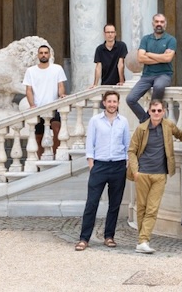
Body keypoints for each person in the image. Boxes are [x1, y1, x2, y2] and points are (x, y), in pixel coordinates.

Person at [127, 99, 182, 254]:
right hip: (143, 173)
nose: (156, 113)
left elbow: (181, 135)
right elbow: (132, 151)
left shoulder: (168, 126)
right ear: (149, 111)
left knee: (152, 209)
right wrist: (135, 171)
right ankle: (142, 241)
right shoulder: (141, 129)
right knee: (142, 208)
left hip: (160, 174)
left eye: (159, 110)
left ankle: (143, 240)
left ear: (164, 111)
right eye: (153, 110)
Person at [75, 90, 130, 251]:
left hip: (118, 165)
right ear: (104, 103)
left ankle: (109, 236)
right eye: (109, 101)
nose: (112, 104)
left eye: (115, 101)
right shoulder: (95, 120)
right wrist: (91, 163)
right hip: (100, 165)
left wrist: (126, 163)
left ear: (118, 103)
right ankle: (84, 238)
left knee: (114, 204)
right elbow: (90, 143)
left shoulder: (123, 121)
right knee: (92, 203)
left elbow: (127, 144)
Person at [126, 13, 176, 122]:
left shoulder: (170, 40)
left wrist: (148, 54)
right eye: (157, 22)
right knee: (130, 99)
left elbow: (168, 59)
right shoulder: (146, 39)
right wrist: (161, 57)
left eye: (162, 22)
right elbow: (140, 58)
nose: (159, 24)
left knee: (158, 87)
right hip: (147, 76)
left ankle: (154, 113)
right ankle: (147, 120)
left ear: (165, 24)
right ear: (153, 24)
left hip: (164, 75)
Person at [23, 44, 67, 158]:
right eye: (41, 53)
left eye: (46, 53)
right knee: (38, 136)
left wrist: (62, 95)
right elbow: (28, 90)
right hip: (38, 108)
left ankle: (56, 155)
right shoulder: (31, 71)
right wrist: (32, 105)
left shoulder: (57, 68)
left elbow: (61, 85)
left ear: (49, 55)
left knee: (57, 129)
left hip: (54, 106)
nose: (43, 55)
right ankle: (43, 158)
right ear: (38, 55)